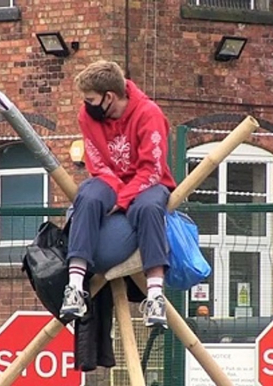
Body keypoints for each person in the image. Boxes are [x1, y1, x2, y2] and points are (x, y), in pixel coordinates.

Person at [59, 60, 177, 328]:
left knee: (149, 208)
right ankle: (75, 287)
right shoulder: (87, 116)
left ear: (109, 97)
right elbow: (96, 161)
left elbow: (152, 168)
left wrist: (124, 200)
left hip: (149, 183)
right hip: (109, 179)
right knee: (87, 197)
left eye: (90, 99)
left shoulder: (149, 114)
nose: (86, 105)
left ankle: (155, 295)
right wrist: (115, 192)